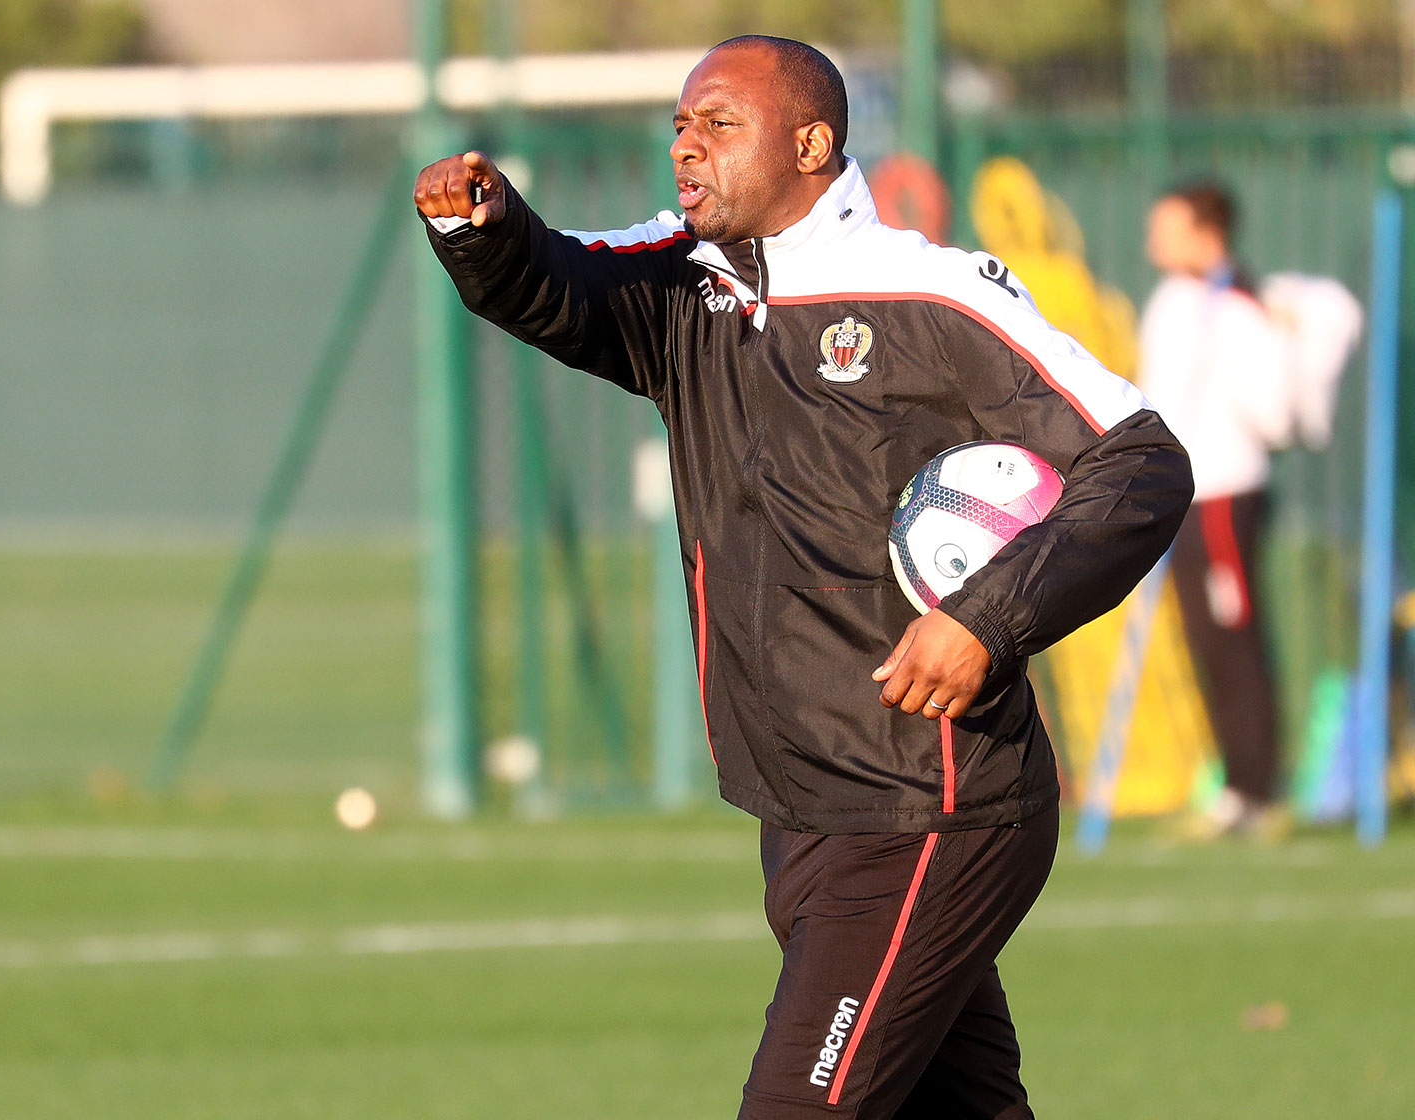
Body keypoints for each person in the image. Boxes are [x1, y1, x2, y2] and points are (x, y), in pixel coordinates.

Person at [416, 36, 1191, 1119]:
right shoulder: (682, 281)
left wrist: (986, 619)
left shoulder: (931, 294)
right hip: (800, 803)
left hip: (930, 802)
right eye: (681, 125)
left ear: (812, 144)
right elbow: (561, 280)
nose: (687, 146)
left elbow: (1143, 462)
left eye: (720, 124)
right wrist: (482, 228)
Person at [1139, 182, 1287, 839]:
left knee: (1236, 634)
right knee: (1203, 638)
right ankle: (1232, 781)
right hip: (1183, 497)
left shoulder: (1239, 305)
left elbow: (1273, 410)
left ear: (1206, 231)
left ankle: (1259, 787)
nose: (1153, 238)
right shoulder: (1173, 302)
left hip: (1226, 490)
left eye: (1167, 226)